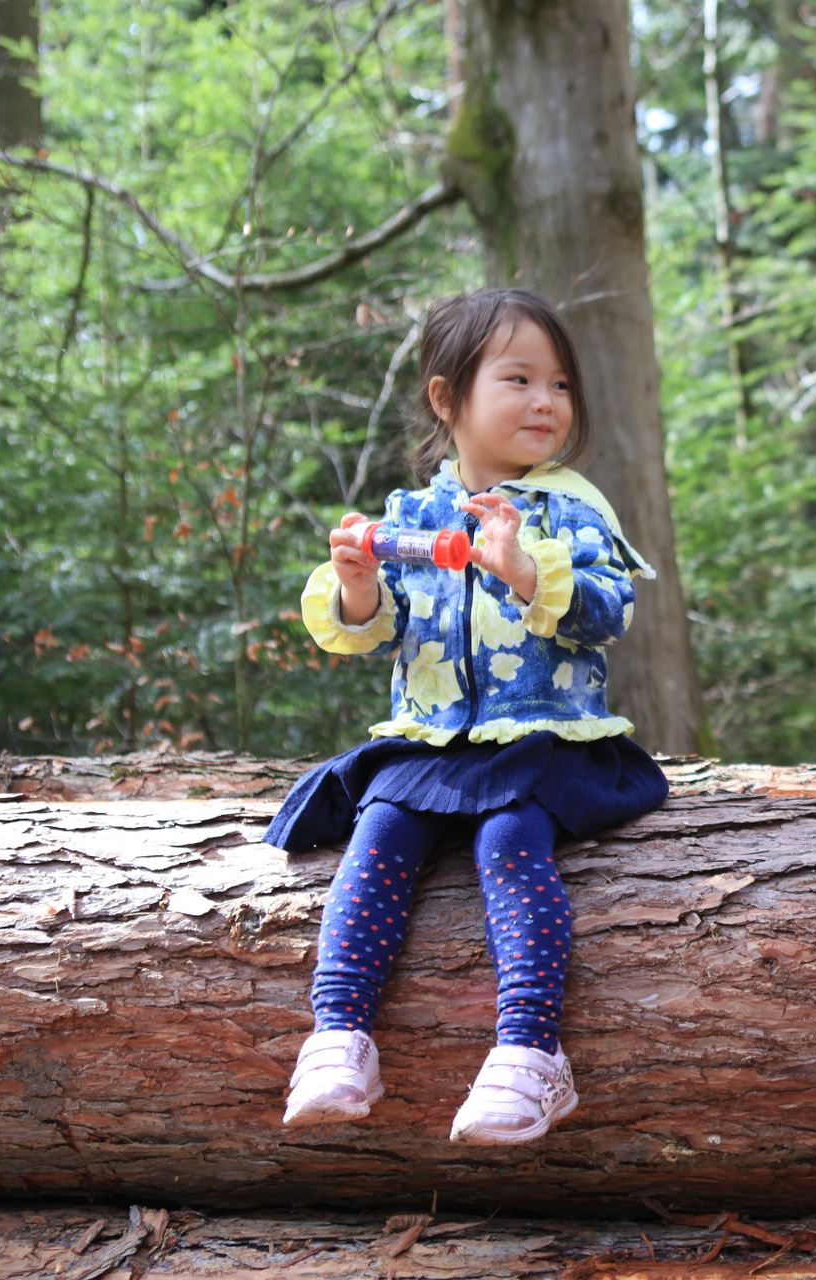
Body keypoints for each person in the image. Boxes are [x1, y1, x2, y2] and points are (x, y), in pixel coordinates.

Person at [265, 288, 669, 1145]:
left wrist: (526, 571)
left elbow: (609, 612)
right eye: (519, 379)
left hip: (544, 738)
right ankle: (338, 1035)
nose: (546, 402)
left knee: (508, 843)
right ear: (448, 399)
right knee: (378, 837)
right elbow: (379, 630)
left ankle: (528, 1050)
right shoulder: (413, 518)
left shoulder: (570, 510)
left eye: (560, 384)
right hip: (433, 739)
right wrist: (358, 586)